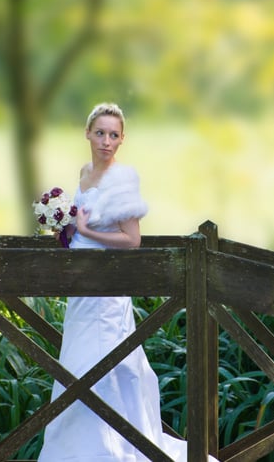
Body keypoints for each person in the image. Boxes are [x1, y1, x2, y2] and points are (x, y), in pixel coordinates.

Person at [38, 103, 217, 462]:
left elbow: (132, 240)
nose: (106, 141)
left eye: (114, 135)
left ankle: (113, 450)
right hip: (80, 291)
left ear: (122, 139)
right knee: (75, 361)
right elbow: (84, 226)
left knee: (107, 363)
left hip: (107, 288)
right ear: (87, 134)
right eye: (100, 133)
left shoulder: (122, 180)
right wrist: (67, 228)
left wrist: (87, 231)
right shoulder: (84, 172)